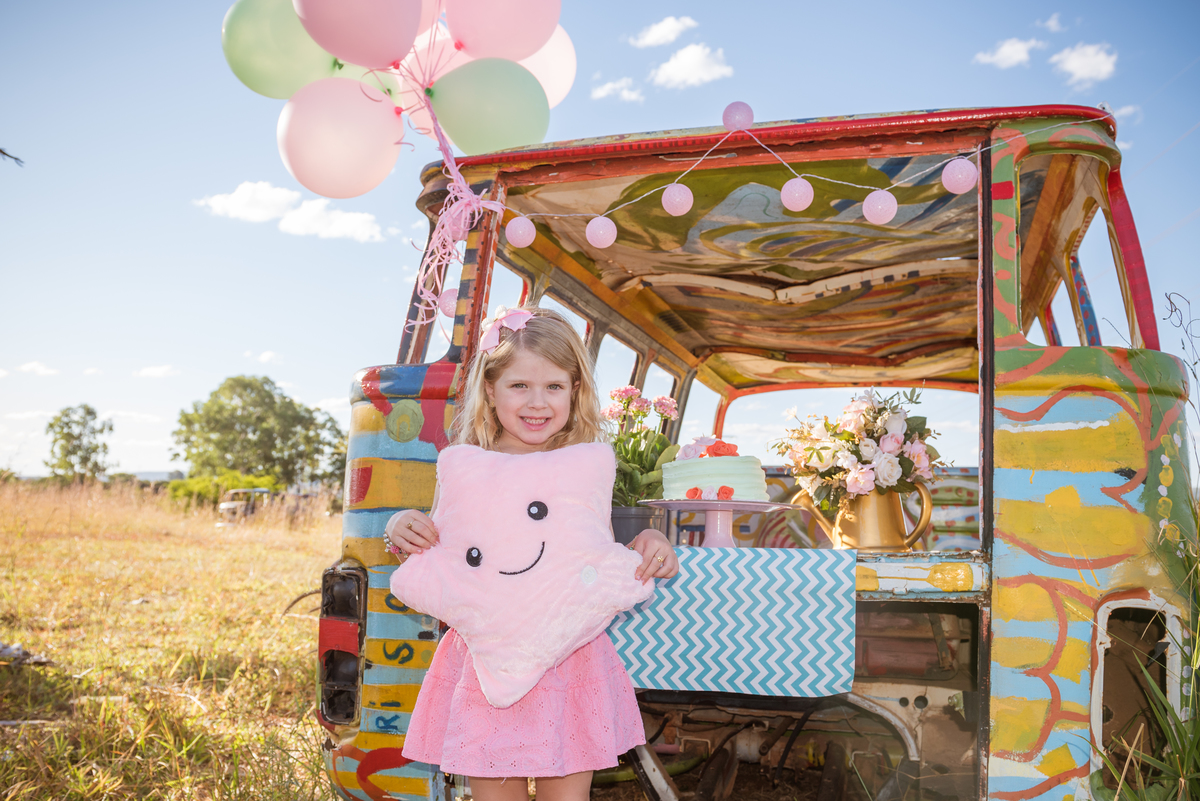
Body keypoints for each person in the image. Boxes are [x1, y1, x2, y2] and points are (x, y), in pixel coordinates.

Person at [384, 306, 680, 801]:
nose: (537, 403)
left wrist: (650, 542)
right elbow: (443, 565)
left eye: (554, 386)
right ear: (490, 390)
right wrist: (400, 529)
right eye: (519, 385)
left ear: (575, 390)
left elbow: (594, 556)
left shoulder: (588, 464)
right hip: (486, 661)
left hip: (570, 659)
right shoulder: (466, 467)